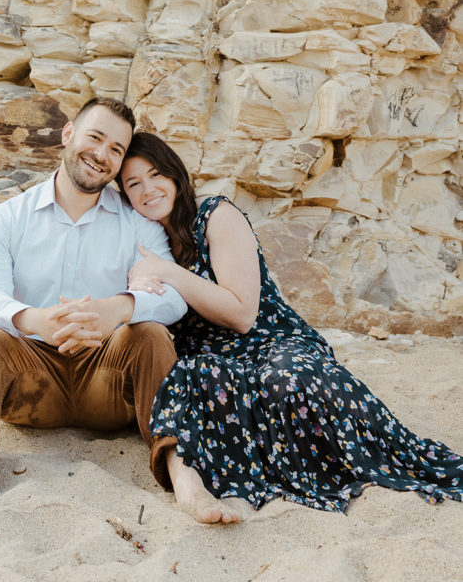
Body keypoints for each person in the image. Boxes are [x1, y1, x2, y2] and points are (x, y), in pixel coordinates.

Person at [118, 132, 463, 525]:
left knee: (288, 378)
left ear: (175, 173)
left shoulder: (214, 215)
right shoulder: (143, 240)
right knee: (192, 378)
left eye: (156, 174)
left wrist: (167, 273)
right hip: (211, 358)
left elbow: (242, 313)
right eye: (133, 183)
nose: (148, 189)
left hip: (269, 340)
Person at [0, 99, 187, 516]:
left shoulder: (137, 224)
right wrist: (36, 320)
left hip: (108, 383)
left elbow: (173, 295)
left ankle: (183, 474)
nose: (102, 154)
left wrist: (117, 309)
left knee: (150, 334)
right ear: (68, 135)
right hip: (29, 385)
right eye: (95, 137)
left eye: (117, 149)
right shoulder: (8, 218)